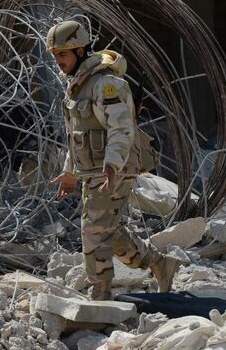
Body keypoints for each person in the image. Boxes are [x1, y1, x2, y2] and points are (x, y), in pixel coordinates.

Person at [46, 20, 181, 300]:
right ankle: (159, 263)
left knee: (93, 229)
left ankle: (101, 294)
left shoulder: (107, 84)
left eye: (63, 54)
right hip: (95, 170)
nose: (58, 61)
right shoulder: (77, 85)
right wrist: (71, 172)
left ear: (81, 51)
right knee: (108, 229)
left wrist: (112, 166)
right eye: (55, 55)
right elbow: (79, 135)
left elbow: (121, 129)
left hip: (113, 169)